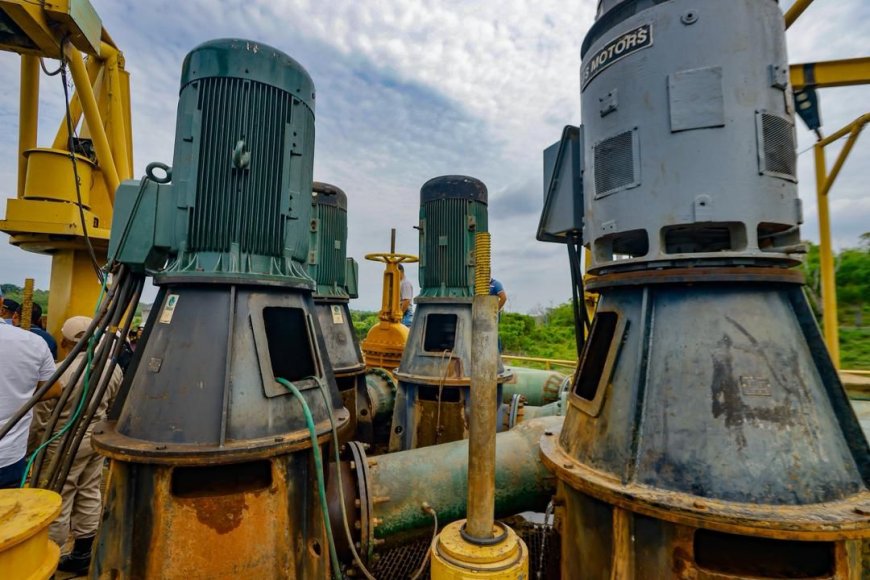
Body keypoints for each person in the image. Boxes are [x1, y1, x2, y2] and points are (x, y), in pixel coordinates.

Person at [33, 316, 123, 573]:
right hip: (94, 437)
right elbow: (114, 401)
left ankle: (50, 556)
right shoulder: (112, 367)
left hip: (62, 440)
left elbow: (41, 417)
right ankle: (84, 552)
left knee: (59, 495)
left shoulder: (62, 371)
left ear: (65, 340)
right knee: (89, 490)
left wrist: (33, 448)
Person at [0, 320, 59, 488]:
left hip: (10, 456)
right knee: (8, 513)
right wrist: (21, 396)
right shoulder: (33, 342)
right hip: (9, 456)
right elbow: (54, 389)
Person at [489, 278, 507, 352]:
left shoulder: (496, 284)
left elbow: (503, 298)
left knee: (493, 332)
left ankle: (497, 353)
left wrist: (496, 310)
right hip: (481, 313)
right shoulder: (478, 284)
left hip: (492, 314)